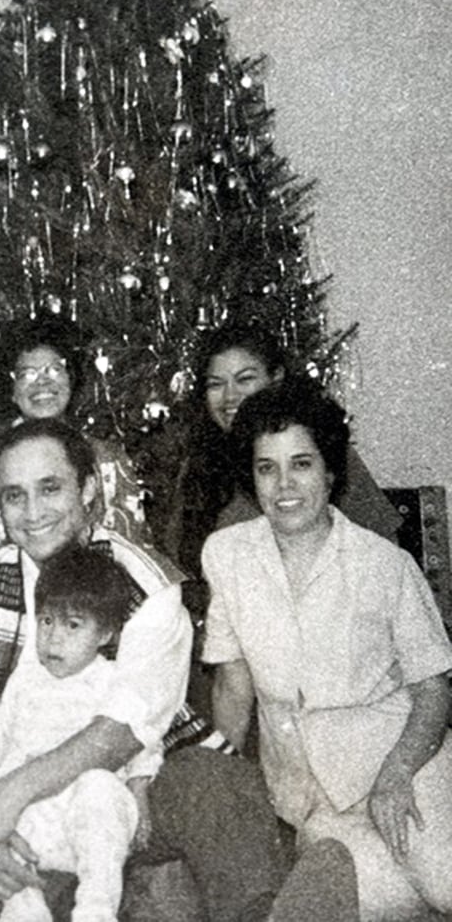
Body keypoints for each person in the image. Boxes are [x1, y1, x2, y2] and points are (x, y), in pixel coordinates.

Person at [0, 417, 292, 922]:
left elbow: (124, 730)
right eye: (14, 496)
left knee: (219, 782)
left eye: (50, 488)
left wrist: (11, 793)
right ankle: (75, 900)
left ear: (87, 489)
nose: (33, 512)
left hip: (142, 791)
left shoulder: (145, 585)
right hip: (33, 820)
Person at [202, 377, 452, 921]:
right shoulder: (227, 555)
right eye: (267, 467)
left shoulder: (384, 564)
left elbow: (433, 690)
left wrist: (396, 774)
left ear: (331, 471)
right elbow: (233, 684)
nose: (284, 485)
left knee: (443, 882)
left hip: (408, 768)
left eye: (302, 463)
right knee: (366, 900)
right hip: (311, 799)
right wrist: (227, 785)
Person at [0, 542, 159, 922]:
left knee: (98, 785)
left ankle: (95, 910)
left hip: (92, 824)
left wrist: (139, 793)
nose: (54, 638)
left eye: (73, 625)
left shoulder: (111, 680)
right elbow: (5, 739)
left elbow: (143, 745)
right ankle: (25, 910)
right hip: (37, 823)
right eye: (46, 621)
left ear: (105, 634)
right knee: (3, 805)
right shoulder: (26, 678)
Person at [174, 321, 402, 583]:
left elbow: (385, 558)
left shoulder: (321, 454)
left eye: (245, 379)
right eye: (215, 384)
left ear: (276, 379)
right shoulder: (199, 465)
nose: (229, 396)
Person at [0, 312, 151, 561]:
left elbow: (134, 552)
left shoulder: (108, 459)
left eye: (55, 369)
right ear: (12, 391)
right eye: (27, 374)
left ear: (71, 380)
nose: (42, 383)